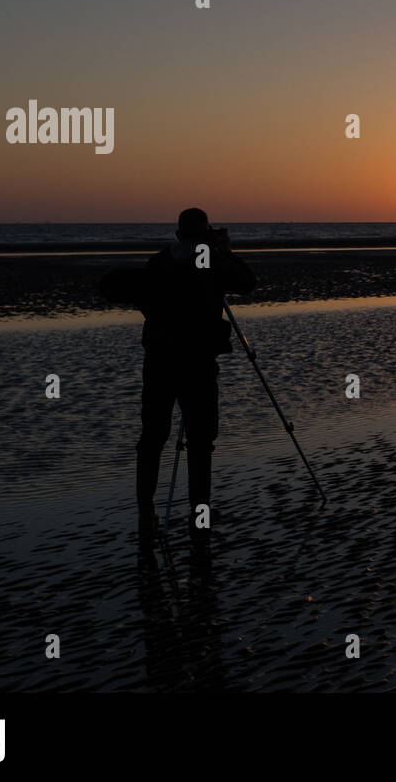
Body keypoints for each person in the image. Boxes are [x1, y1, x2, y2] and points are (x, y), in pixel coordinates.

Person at [101, 208, 256, 542]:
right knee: (201, 442)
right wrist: (224, 250)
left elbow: (142, 297)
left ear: (177, 235)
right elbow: (247, 282)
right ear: (206, 233)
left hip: (159, 360)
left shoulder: (159, 262)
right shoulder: (212, 259)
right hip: (197, 363)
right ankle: (199, 514)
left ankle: (146, 511)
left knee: (153, 437)